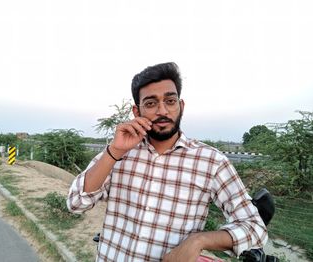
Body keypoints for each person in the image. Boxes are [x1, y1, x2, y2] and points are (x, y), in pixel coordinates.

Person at [67, 62, 268, 261]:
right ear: (137, 112)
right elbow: (77, 203)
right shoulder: (119, 153)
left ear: (181, 106)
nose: (162, 111)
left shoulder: (211, 162)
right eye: (151, 103)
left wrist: (198, 241)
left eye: (170, 101)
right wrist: (114, 151)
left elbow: (255, 228)